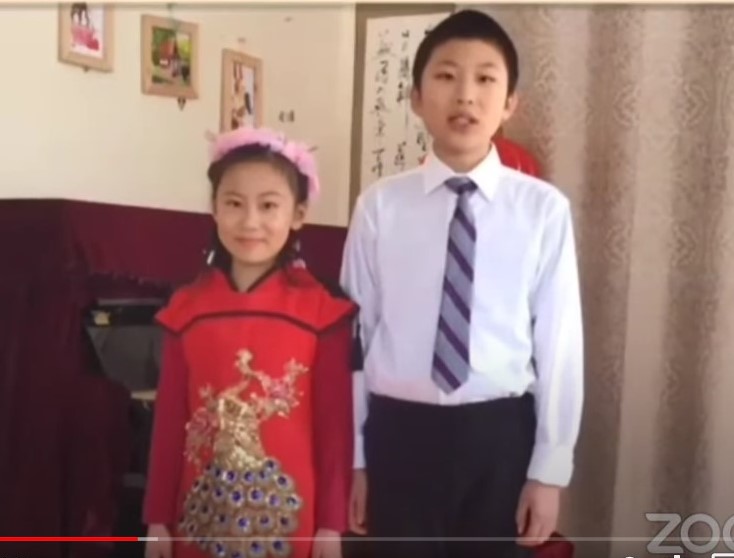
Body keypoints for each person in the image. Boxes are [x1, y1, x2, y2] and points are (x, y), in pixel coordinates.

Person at [341, 9, 584, 558]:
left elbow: (560, 344)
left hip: (498, 435)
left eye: (485, 79)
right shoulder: (379, 206)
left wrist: (549, 470)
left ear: (510, 102)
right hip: (398, 435)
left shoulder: (542, 210)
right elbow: (355, 340)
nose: (466, 95)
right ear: (416, 97)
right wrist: (355, 458)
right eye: (447, 76)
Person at [143, 127, 357, 558]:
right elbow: (168, 422)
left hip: (294, 519)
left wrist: (331, 526)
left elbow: (334, 430)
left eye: (269, 205)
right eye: (234, 204)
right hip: (199, 514)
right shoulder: (186, 310)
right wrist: (157, 519)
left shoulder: (322, 313)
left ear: (298, 214)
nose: (250, 222)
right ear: (214, 209)